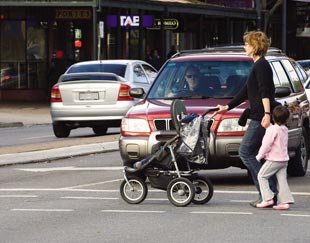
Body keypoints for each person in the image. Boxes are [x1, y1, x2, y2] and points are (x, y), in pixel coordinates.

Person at [216, 31, 278, 207]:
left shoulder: (262, 66)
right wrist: (227, 107)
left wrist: (267, 115)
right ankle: (270, 193)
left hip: (260, 116)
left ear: (255, 46)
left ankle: (267, 193)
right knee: (261, 155)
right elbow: (245, 92)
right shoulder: (257, 65)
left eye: (247, 44)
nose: (245, 47)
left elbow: (266, 91)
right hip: (259, 114)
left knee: (245, 152)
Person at [256, 105, 294, 210]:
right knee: (282, 180)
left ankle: (268, 198)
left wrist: (259, 156)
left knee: (262, 176)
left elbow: (266, 144)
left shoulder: (272, 130)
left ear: (273, 117)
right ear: (286, 119)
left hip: (274, 159)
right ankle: (284, 202)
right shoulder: (285, 129)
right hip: (284, 159)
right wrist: (268, 128)